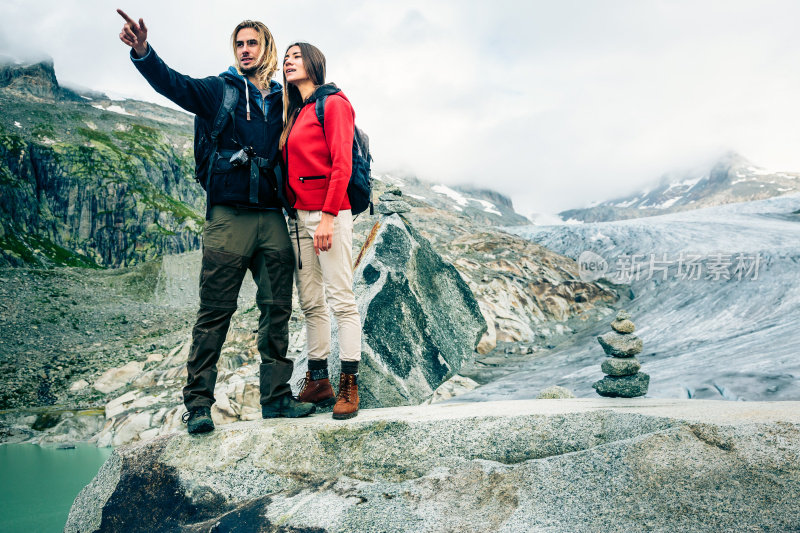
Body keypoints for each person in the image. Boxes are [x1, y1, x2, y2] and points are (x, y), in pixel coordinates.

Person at [117, 10, 315, 434]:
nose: (244, 50)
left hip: (272, 218)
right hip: (227, 218)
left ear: (266, 49)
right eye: (239, 44)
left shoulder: (285, 101)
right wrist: (142, 53)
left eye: (252, 44)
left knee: (277, 310)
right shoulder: (218, 91)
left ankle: (277, 399)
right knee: (214, 314)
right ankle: (199, 406)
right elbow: (174, 84)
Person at [279, 42, 362, 419]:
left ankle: (348, 384)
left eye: (296, 56)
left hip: (329, 215)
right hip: (299, 218)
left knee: (341, 300)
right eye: (286, 57)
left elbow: (341, 162)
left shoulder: (334, 103)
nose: (288, 61)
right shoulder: (296, 112)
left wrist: (328, 216)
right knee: (311, 303)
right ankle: (317, 380)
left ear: (314, 63)